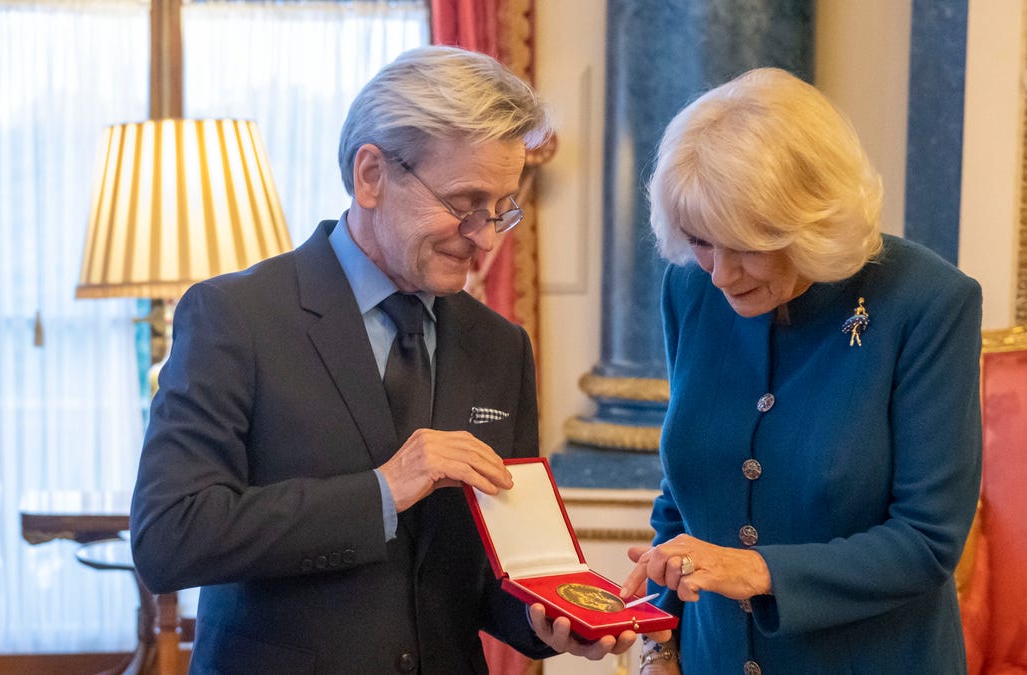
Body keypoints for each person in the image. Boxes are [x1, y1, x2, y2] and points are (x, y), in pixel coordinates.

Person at [130, 45, 663, 674]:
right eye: (466, 204)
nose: (485, 237)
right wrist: (383, 490)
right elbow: (171, 537)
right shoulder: (236, 316)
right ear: (371, 175)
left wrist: (555, 621)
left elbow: (496, 571)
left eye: (502, 209)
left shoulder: (501, 346)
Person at [619, 68, 983, 674]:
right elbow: (682, 499)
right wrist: (661, 644)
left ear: (813, 220)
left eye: (747, 245)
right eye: (702, 239)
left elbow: (927, 540)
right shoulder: (689, 289)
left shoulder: (926, 302)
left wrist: (757, 571)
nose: (720, 274)